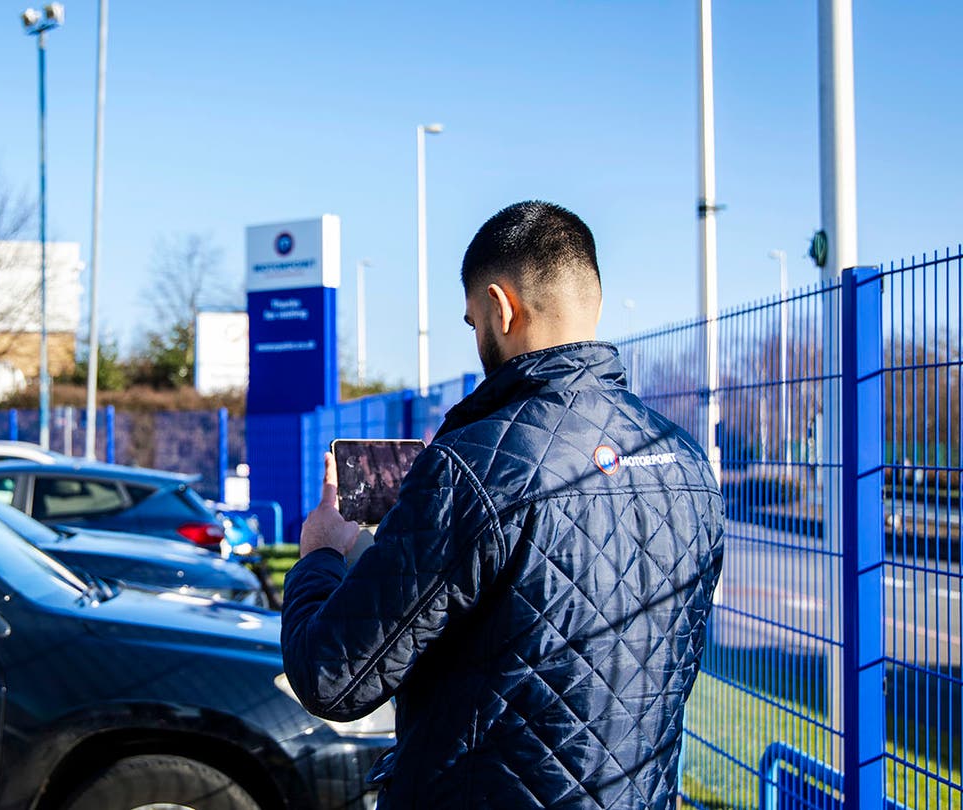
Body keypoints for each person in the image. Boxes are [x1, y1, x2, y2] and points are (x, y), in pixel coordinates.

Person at [281, 201, 725, 809]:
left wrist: (322, 553)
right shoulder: (685, 460)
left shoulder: (475, 465)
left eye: (471, 322)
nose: (476, 336)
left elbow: (332, 677)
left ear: (502, 305)